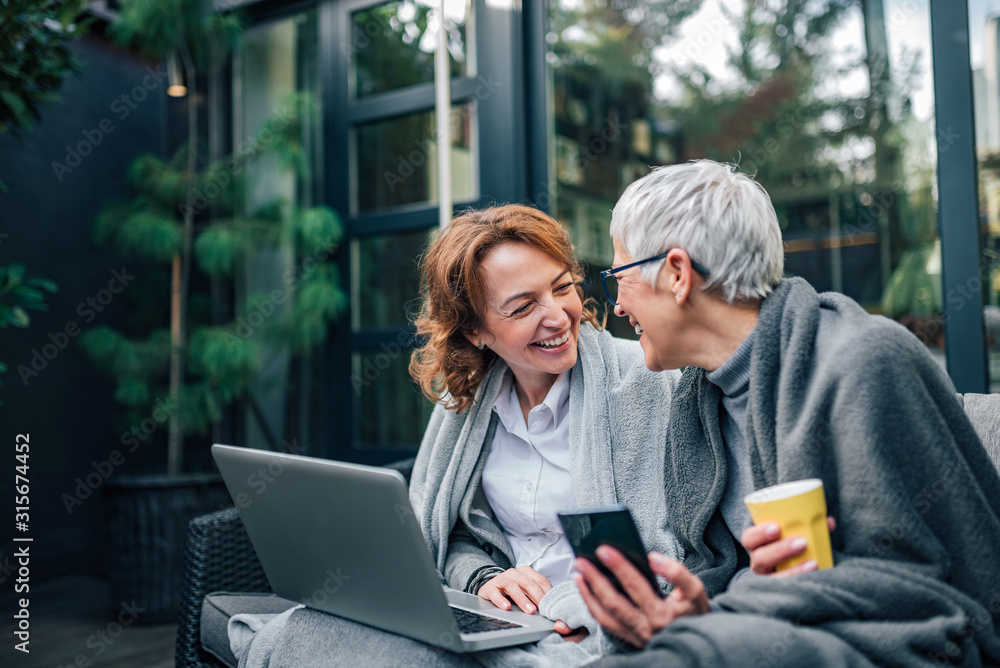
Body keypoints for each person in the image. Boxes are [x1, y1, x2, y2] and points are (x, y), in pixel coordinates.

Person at [572, 160, 1000, 667]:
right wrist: (699, 611)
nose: (617, 306)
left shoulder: (864, 359)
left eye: (618, 276)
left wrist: (738, 611)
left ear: (677, 274)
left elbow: (913, 585)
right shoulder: (696, 399)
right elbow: (732, 578)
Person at [231, 204, 684, 668]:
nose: (558, 316)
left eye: (562, 286)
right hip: (497, 615)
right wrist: (483, 576)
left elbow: (680, 547)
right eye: (523, 306)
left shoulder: (650, 383)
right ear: (475, 331)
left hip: (582, 626)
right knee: (312, 627)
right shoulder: (468, 404)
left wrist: (577, 607)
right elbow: (448, 536)